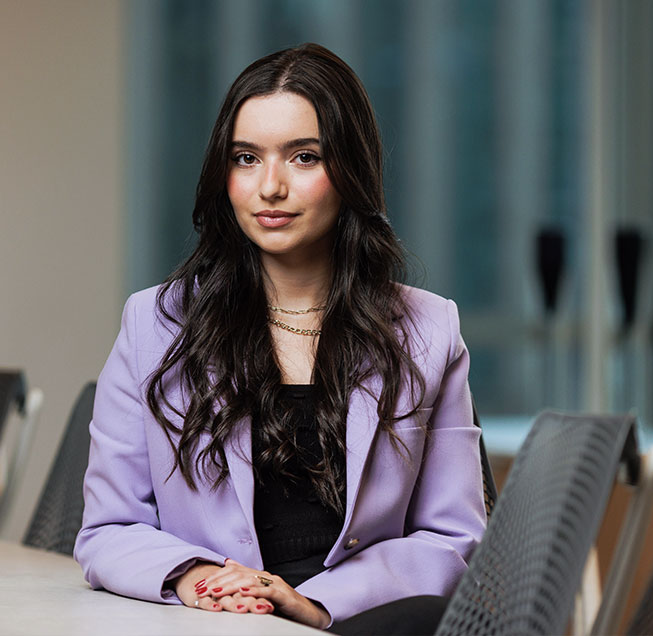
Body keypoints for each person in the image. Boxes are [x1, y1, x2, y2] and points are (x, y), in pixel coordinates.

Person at [74, 42, 486, 634]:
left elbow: (454, 539)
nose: (270, 186)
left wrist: (312, 602)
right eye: (246, 157)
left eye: (303, 157)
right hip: (212, 624)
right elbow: (108, 529)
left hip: (357, 622)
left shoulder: (428, 329)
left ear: (350, 170)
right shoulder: (154, 325)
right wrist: (198, 580)